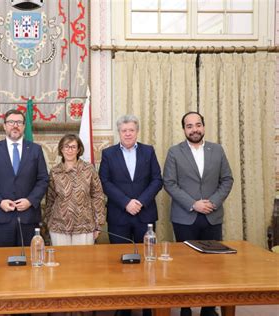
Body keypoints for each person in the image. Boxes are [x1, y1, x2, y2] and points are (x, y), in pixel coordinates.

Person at [163, 111, 234, 316]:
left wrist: (212, 202)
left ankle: (209, 308)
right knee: (186, 266)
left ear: (203, 126)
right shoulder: (175, 152)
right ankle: (186, 308)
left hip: (212, 215)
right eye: (189, 126)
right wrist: (193, 204)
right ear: (184, 129)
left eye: (198, 125)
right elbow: (169, 182)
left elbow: (227, 179)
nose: (194, 129)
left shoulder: (217, 150)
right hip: (185, 217)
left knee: (213, 265)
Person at [0, 109, 49, 247]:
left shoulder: (35, 150)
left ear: (23, 126)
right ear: (4, 126)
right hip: (2, 216)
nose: (15, 125)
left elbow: (43, 179)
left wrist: (30, 200)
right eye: (11, 122)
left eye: (19, 122)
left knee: (30, 260)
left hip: (28, 216)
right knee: (3, 262)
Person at [99, 115, 163, 244]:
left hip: (145, 214)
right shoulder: (108, 153)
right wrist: (126, 202)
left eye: (131, 130)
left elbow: (157, 180)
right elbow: (104, 182)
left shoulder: (148, 151)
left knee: (147, 255)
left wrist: (140, 202)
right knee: (118, 258)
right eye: (124, 131)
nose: (128, 134)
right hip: (118, 215)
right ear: (119, 132)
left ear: (137, 132)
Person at [45, 134, 105, 246]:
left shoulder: (88, 169)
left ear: (78, 149)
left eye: (73, 147)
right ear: (61, 149)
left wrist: (98, 224)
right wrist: (48, 222)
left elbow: (98, 196)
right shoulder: (55, 171)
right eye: (66, 146)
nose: (69, 150)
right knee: (61, 261)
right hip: (59, 226)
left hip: (84, 225)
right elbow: (50, 199)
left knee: (83, 262)